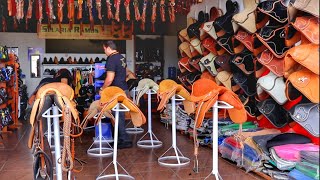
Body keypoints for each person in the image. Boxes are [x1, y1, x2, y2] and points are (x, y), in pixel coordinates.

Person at [100, 40, 132, 149]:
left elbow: (109, 79)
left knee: (117, 116)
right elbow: (127, 72)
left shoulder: (111, 59)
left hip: (116, 92)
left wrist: (103, 89)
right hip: (123, 89)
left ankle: (125, 140)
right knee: (118, 116)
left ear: (108, 48)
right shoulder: (121, 57)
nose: (104, 51)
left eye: (104, 49)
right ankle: (119, 139)